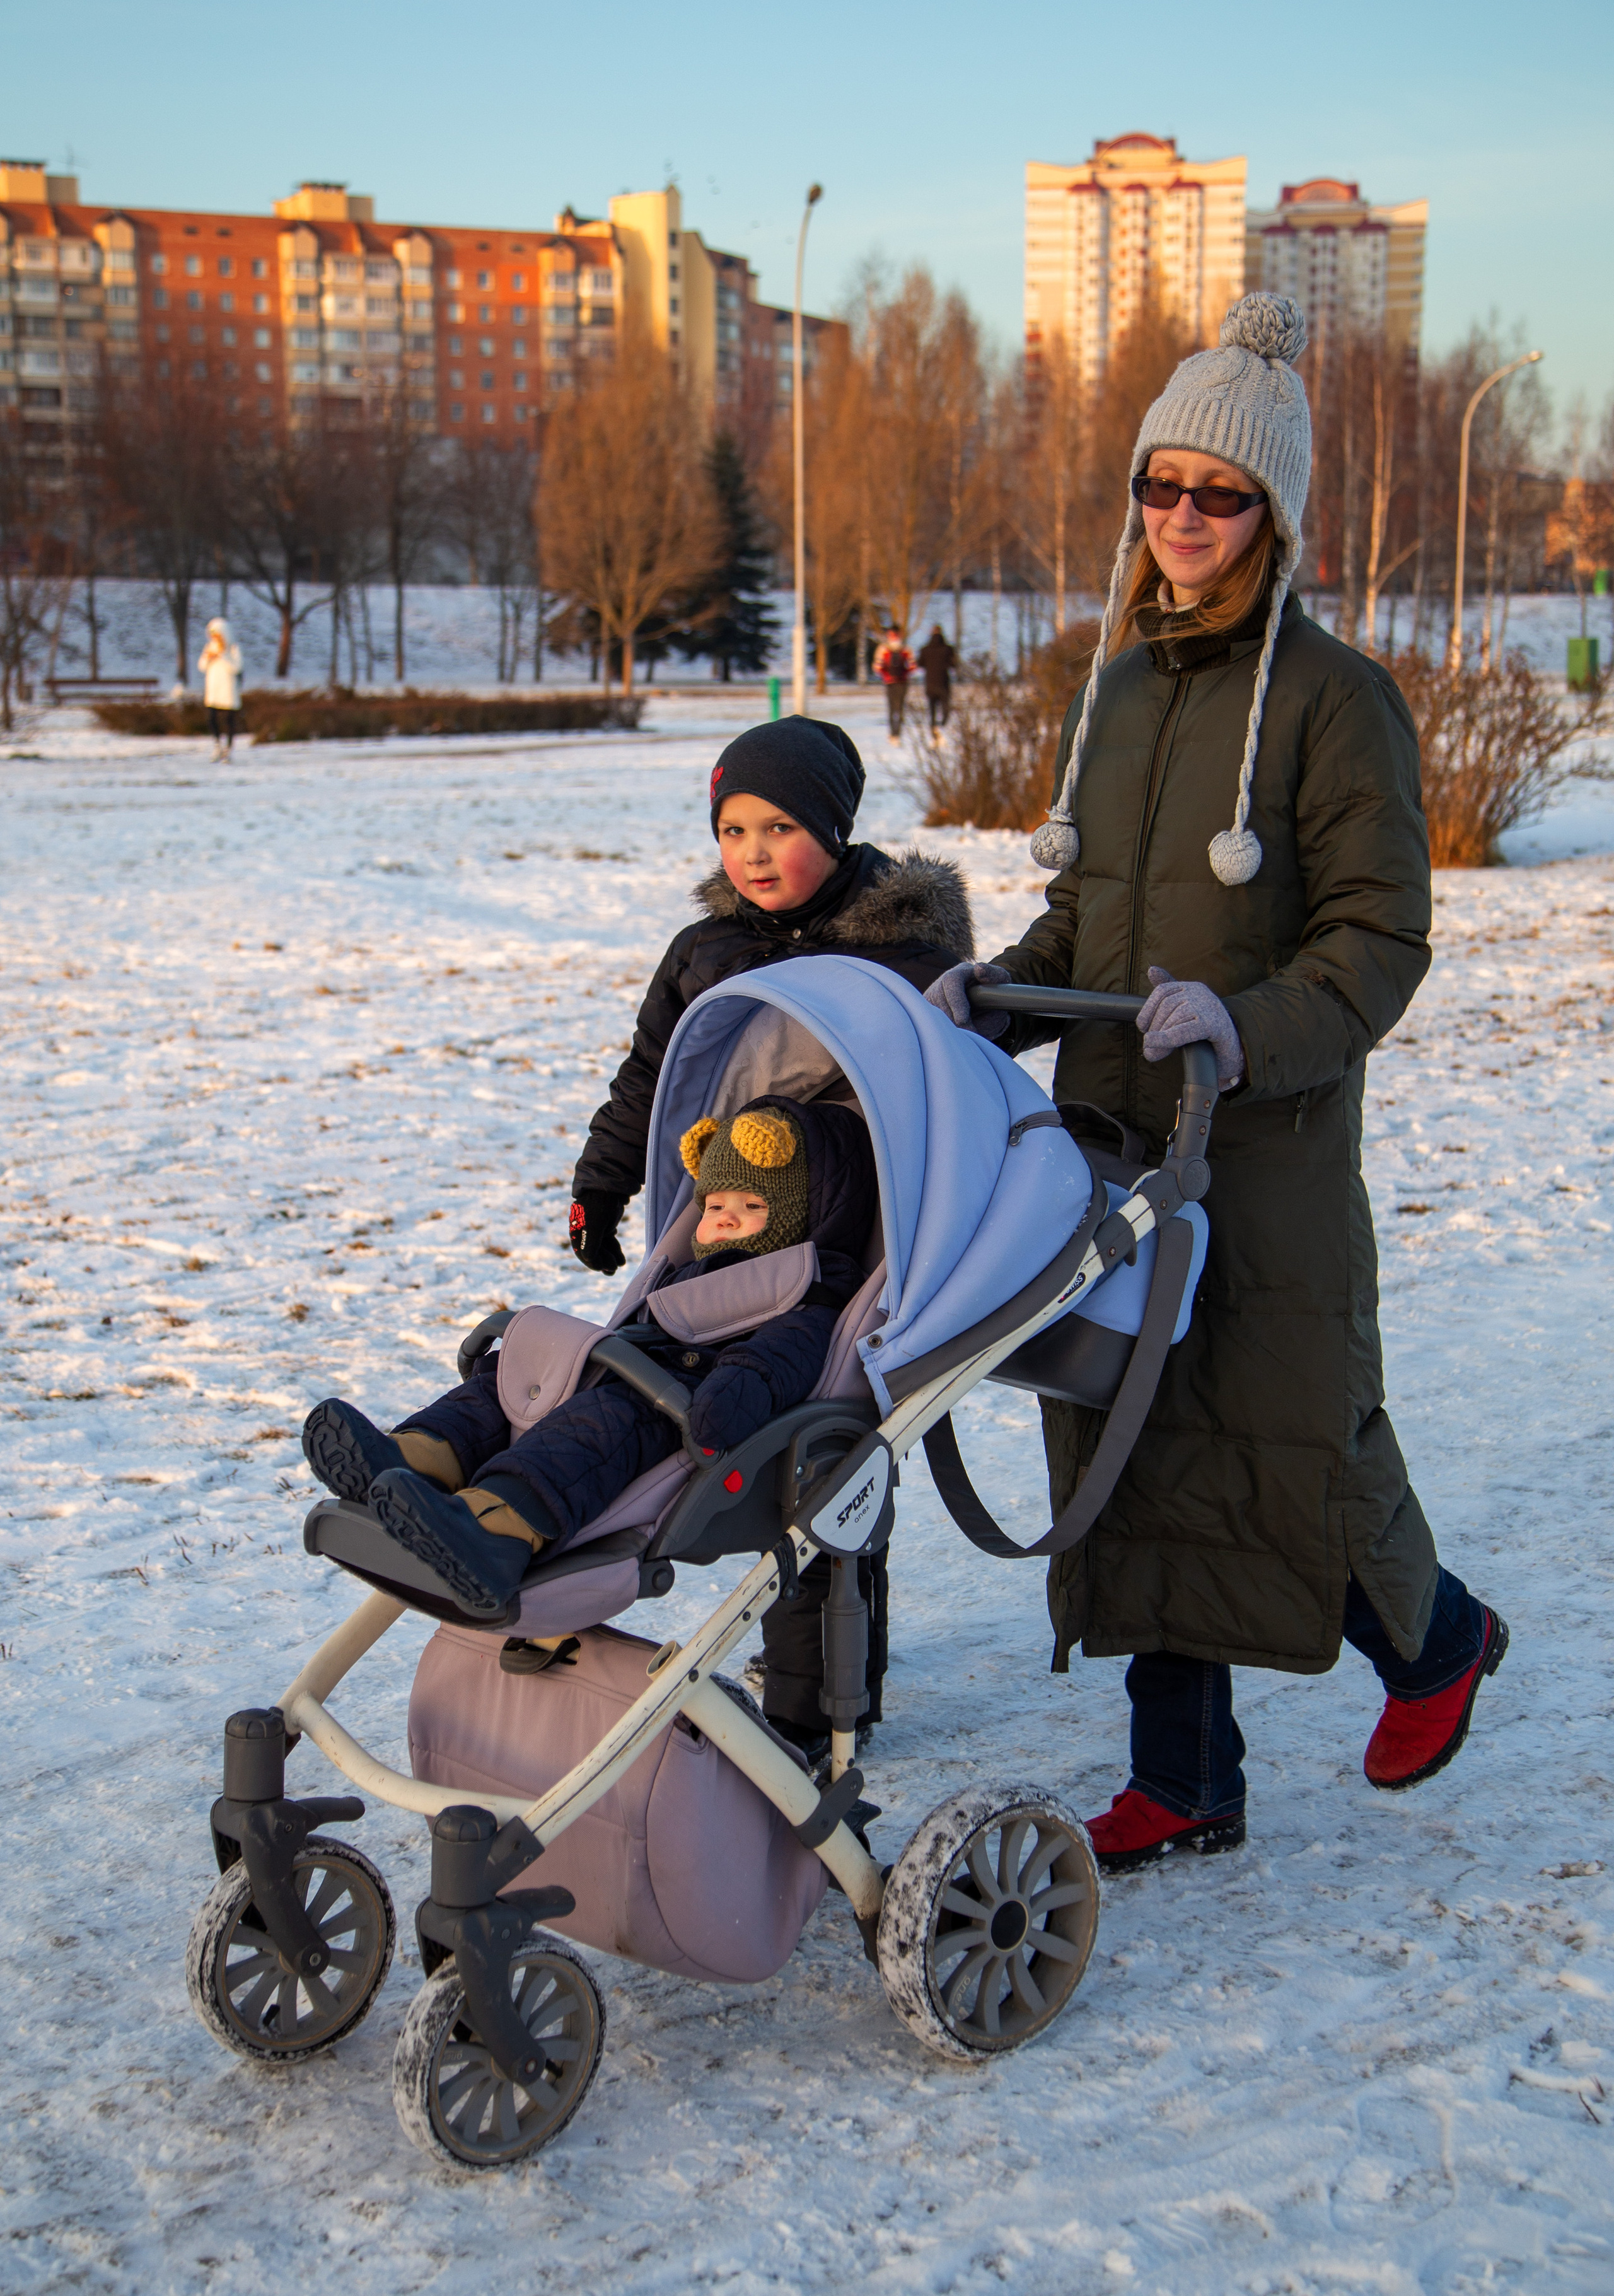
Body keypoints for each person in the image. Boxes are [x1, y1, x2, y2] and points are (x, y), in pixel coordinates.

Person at [925, 293, 1507, 1875]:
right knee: (1132, 1434)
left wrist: (1245, 1026)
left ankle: (1434, 1640)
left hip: (1259, 1144)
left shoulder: (1333, 697)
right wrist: (990, 996)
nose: (1180, 517)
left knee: (1284, 1430)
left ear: (1272, 514)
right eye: (1159, 485)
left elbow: (1377, 936)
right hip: (1114, 1130)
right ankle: (1183, 1778)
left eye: (1218, 493)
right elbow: (1083, 914)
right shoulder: (1115, 687)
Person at [566, 714, 972, 1750]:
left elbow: (960, 1087)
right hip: (727, 1234)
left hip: (859, 1251)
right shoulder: (705, 951)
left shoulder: (907, 953)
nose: (752, 853)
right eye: (733, 829)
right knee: (719, 1426)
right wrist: (599, 1188)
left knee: (823, 1455)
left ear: (834, 829)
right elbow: (650, 1078)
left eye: (780, 827)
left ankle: (821, 1702)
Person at [303, 1099, 876, 1637]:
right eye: (715, 1206)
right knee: (507, 1378)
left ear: (802, 1221)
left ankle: (496, 1530)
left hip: (667, 1410)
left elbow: (774, 1363)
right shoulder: (687, 1275)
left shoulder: (804, 1297)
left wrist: (728, 1402)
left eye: (752, 1207)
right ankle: (415, 1457)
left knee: (592, 1429)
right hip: (620, 1368)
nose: (725, 1220)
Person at [197, 617, 242, 760]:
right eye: (212, 635)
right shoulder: (209, 647)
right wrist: (209, 658)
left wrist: (223, 656)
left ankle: (229, 749)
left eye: (217, 634)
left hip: (228, 689)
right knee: (211, 718)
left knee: (229, 720)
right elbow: (202, 666)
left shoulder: (233, 648)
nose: (214, 638)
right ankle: (218, 746)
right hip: (214, 689)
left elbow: (237, 668)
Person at [873, 624, 914, 740]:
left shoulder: (883, 649)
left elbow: (877, 667)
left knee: (892, 708)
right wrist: (904, 674)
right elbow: (912, 666)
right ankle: (898, 732)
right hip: (902, 682)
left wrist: (887, 675)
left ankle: (893, 733)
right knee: (900, 707)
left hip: (890, 682)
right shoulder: (906, 649)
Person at [917, 624, 957, 731]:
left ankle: (933, 724)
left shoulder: (925, 650)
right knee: (945, 704)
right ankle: (944, 724)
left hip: (930, 681)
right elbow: (953, 665)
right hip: (944, 681)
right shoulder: (948, 649)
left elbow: (920, 664)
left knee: (932, 705)